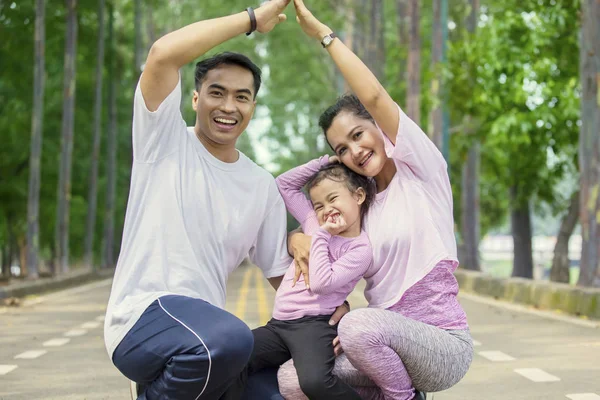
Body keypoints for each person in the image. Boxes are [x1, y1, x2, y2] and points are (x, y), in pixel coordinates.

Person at [102, 2, 347, 399]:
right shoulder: (162, 142)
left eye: (241, 97)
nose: (229, 106)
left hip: (206, 340)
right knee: (233, 339)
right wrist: (254, 20)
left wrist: (331, 310)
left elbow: (282, 274)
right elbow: (163, 54)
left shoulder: (260, 185)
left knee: (294, 386)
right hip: (143, 320)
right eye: (217, 93)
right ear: (196, 99)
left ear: (252, 107)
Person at [274, 1, 474, 399]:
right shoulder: (361, 206)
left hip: (440, 342)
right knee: (292, 380)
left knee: (358, 327)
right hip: (379, 341)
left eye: (359, 134)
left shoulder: (421, 172)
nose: (355, 150)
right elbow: (321, 239)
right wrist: (297, 239)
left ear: (378, 127)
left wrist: (324, 36)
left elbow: (377, 96)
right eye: (341, 149)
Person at [223, 159, 376, 400]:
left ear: (358, 196)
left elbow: (321, 283)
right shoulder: (313, 222)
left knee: (315, 382)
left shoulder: (360, 249)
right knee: (233, 358)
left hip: (314, 326)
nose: (326, 209)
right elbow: (284, 184)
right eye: (318, 205)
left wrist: (322, 235)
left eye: (333, 199)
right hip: (279, 324)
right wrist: (326, 161)